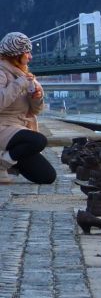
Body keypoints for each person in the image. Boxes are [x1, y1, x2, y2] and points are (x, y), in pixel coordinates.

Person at [0, 32, 56, 185]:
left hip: (19, 129)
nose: (30, 56)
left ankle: (9, 158)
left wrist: (36, 98)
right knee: (39, 140)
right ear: (16, 55)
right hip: (3, 128)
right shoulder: (2, 72)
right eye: (27, 52)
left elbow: (36, 111)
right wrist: (20, 84)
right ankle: (3, 163)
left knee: (47, 177)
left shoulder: (25, 74)